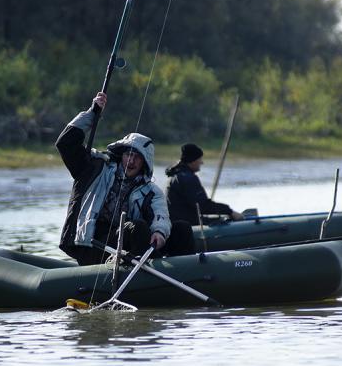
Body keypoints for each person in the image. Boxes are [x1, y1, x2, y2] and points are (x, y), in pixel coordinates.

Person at [56, 92, 194, 266]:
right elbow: (65, 143)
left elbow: (161, 215)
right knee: (136, 227)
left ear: (144, 163)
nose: (131, 160)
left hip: (127, 245)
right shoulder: (95, 169)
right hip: (91, 245)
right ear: (121, 155)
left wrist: (159, 232)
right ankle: (146, 275)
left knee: (182, 228)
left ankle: (186, 273)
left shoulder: (152, 192)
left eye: (137, 157)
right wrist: (92, 113)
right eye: (128, 154)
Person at [165, 143, 245, 225]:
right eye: (200, 159)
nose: (202, 162)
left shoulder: (176, 175)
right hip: (186, 225)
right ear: (192, 161)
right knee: (224, 221)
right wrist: (230, 211)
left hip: (179, 220)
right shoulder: (187, 178)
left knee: (219, 219)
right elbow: (203, 206)